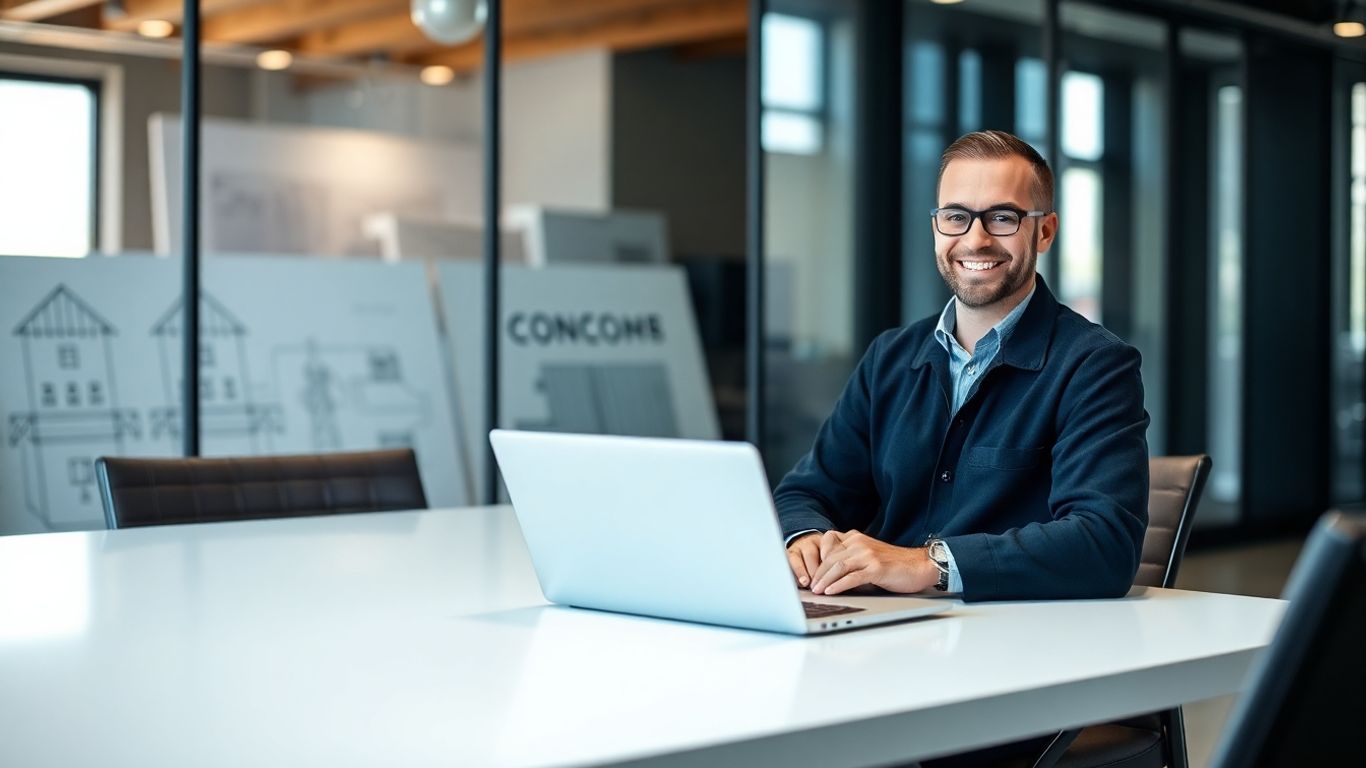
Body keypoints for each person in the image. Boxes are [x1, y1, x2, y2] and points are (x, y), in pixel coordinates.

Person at [776, 129, 1149, 603]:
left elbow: (1105, 544)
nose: (975, 240)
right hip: (884, 632)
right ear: (936, 228)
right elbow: (806, 493)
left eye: (1002, 217)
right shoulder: (889, 358)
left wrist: (927, 564)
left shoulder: (1096, 365)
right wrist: (806, 541)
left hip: (1014, 642)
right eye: (956, 217)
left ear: (1045, 231)